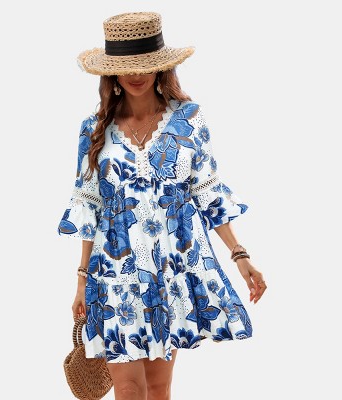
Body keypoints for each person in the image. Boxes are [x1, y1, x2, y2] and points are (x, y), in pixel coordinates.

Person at [57, 11, 267, 400]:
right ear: (112, 73)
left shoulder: (188, 119)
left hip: (168, 269)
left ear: (161, 67)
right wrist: (82, 280)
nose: (136, 74)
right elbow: (88, 205)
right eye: (126, 67)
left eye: (145, 64)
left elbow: (207, 190)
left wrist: (240, 255)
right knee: (127, 388)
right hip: (114, 273)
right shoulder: (94, 128)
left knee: (158, 388)